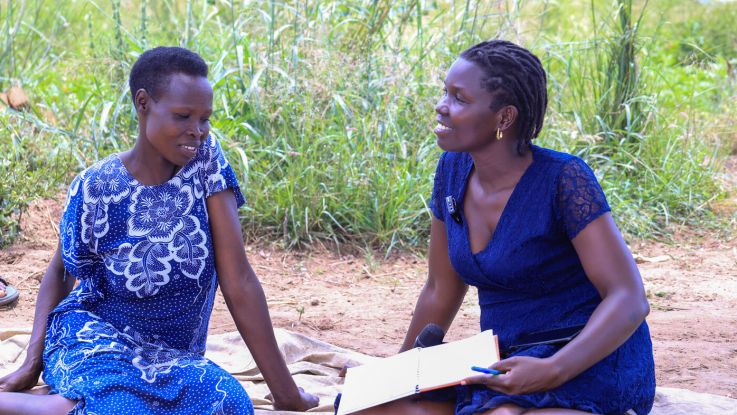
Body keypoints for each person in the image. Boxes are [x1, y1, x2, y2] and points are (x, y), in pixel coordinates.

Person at [0, 46, 319, 414]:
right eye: (183, 116)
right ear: (143, 103)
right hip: (96, 336)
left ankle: (68, 401)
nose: (196, 131)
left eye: (205, 119)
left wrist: (286, 393)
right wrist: (31, 362)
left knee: (229, 402)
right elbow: (59, 271)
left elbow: (239, 281)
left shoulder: (205, 164)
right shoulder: (97, 186)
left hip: (172, 357)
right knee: (121, 408)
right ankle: (36, 404)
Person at [359, 39, 656, 415]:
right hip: (505, 357)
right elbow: (440, 288)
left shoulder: (563, 179)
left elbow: (628, 298)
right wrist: (402, 375)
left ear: (504, 118)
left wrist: (552, 369)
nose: (441, 105)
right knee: (369, 409)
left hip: (586, 353)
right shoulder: (451, 173)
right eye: (444, 92)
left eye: (459, 98)